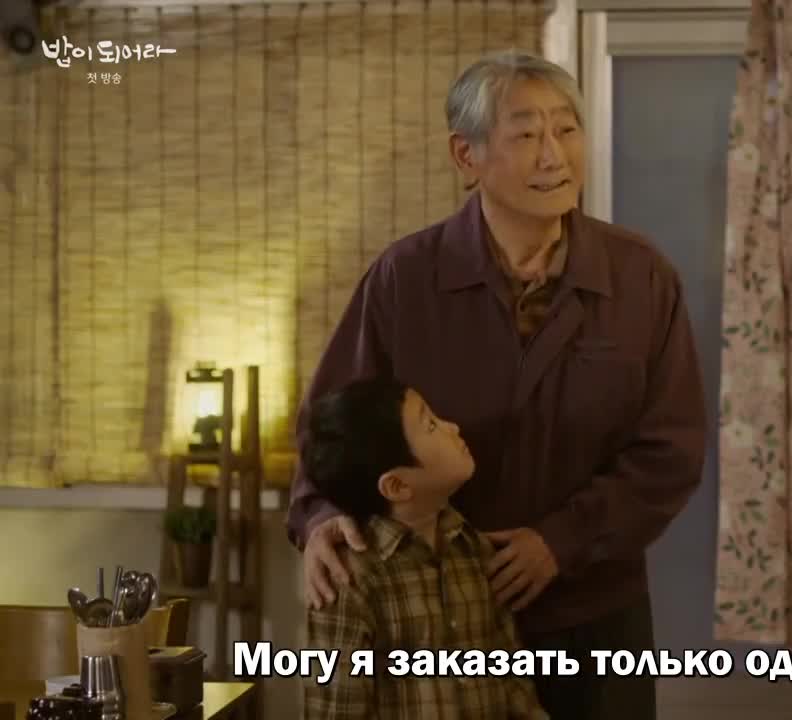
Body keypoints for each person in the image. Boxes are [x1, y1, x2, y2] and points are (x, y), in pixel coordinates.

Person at [287, 50, 707, 719]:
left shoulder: (640, 276)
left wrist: (561, 542)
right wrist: (319, 518)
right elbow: (332, 427)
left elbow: (671, 450)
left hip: (594, 613)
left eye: (566, 129)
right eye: (526, 134)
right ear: (467, 155)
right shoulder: (406, 277)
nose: (553, 156)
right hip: (436, 617)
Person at [301, 377, 547, 720]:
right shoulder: (349, 580)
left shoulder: (474, 550)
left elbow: (511, 677)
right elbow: (337, 710)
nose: (453, 427)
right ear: (397, 486)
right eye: (431, 425)